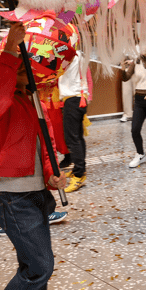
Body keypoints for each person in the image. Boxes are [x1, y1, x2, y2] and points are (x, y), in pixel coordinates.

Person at [0, 22, 67, 290]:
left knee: (34, 264)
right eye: (17, 70)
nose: (23, 75)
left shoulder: (30, 102)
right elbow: (0, 93)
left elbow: (41, 148)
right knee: (40, 265)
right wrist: (11, 52)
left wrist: (51, 176)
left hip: (35, 193)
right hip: (11, 196)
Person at [58, 50, 91, 193]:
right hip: (78, 98)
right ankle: (79, 169)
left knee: (72, 139)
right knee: (77, 138)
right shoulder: (78, 54)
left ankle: (79, 175)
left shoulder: (68, 56)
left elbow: (56, 71)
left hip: (73, 99)